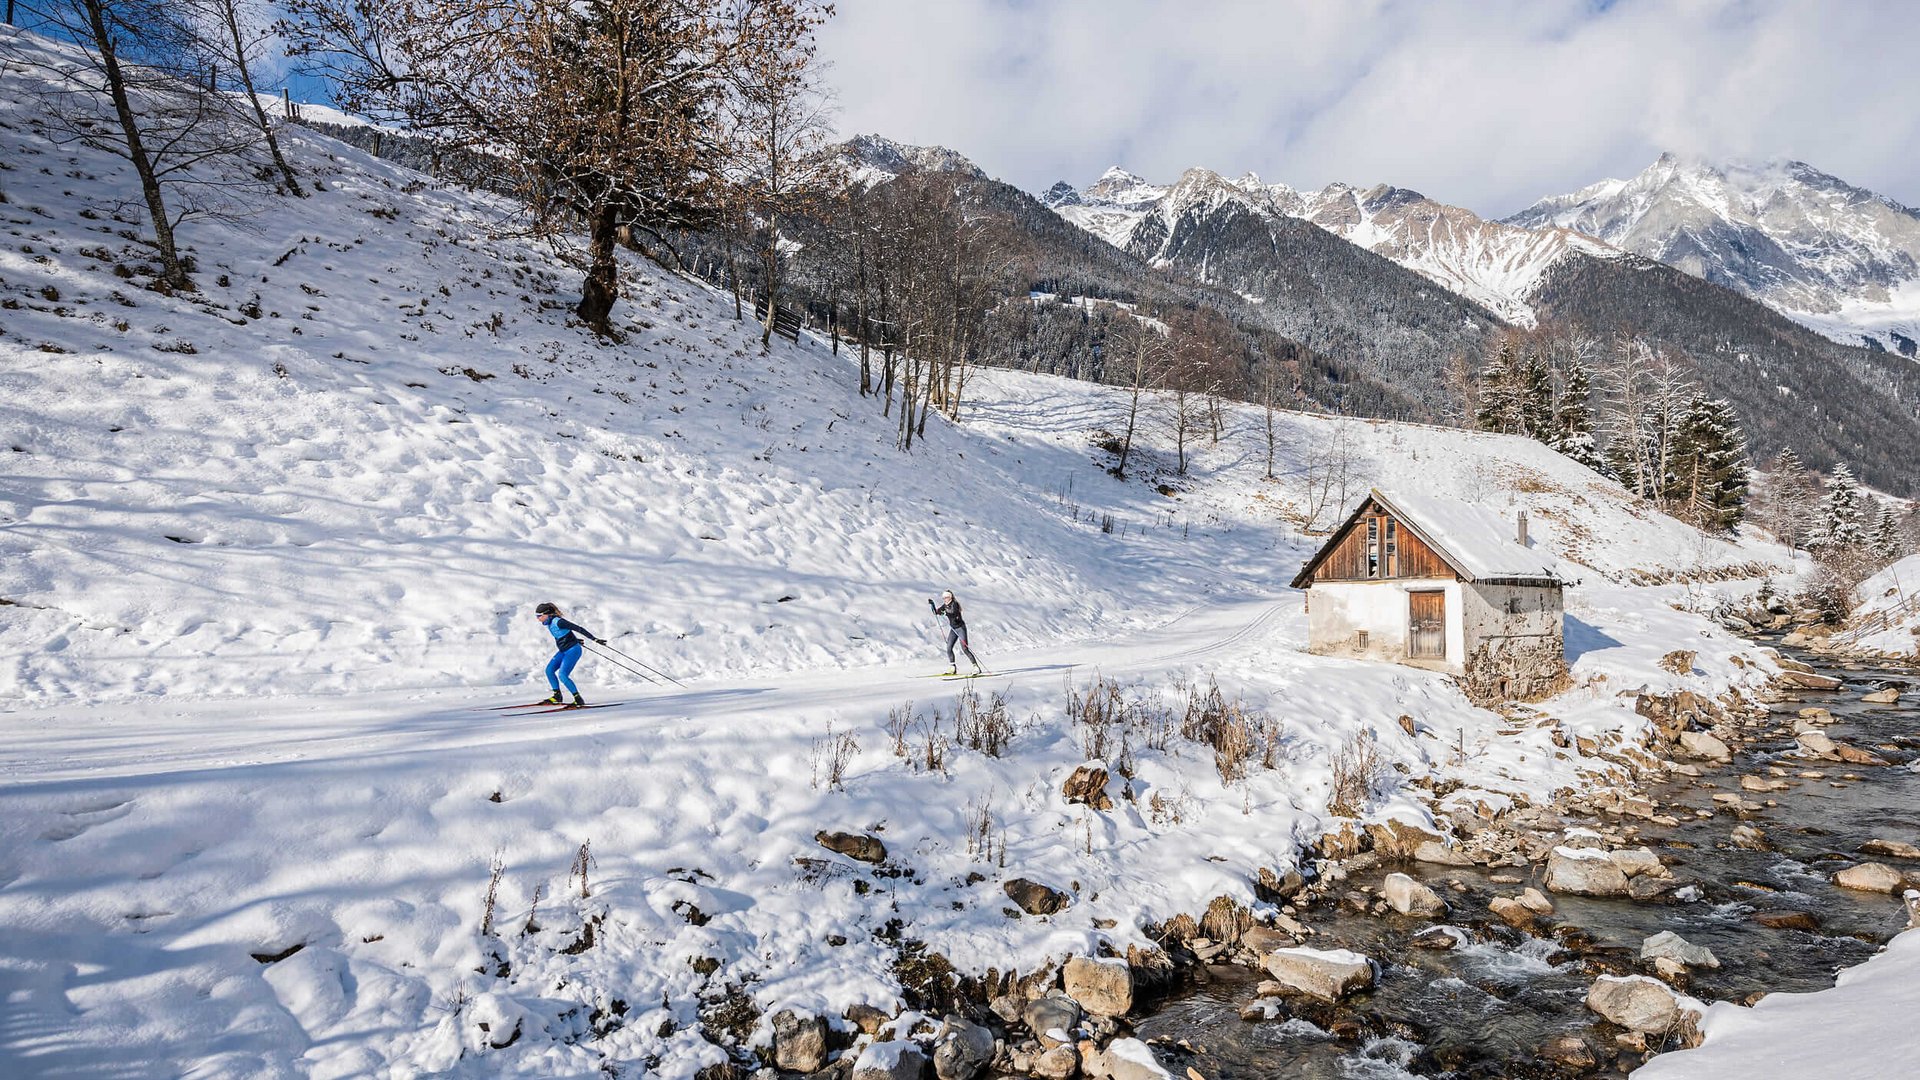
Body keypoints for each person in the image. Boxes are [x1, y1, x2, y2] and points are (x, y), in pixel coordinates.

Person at [534, 602, 604, 706]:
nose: (538, 619)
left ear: (547, 614)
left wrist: (594, 639)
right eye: (537, 616)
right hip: (564, 650)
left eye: (539, 616)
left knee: (562, 675)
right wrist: (574, 639)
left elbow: (578, 628)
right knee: (549, 670)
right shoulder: (549, 623)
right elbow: (564, 634)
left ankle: (578, 699)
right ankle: (557, 696)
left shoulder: (559, 622)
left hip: (573, 651)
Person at [928, 590, 982, 675]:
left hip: (960, 628)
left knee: (964, 649)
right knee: (949, 648)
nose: (945, 599)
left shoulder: (955, 604)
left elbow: (953, 613)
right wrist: (932, 605)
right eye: (944, 598)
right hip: (953, 629)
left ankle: (976, 667)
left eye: (947, 597)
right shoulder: (945, 606)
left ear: (951, 597)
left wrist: (945, 613)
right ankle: (952, 667)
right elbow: (936, 613)